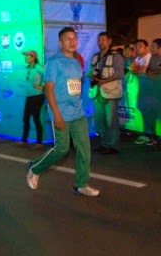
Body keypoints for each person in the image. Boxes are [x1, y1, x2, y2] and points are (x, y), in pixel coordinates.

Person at [26, 27, 99, 197]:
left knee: (84, 150)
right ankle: (34, 168)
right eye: (67, 39)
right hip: (61, 113)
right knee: (62, 149)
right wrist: (57, 114)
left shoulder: (76, 62)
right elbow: (49, 90)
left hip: (78, 113)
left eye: (74, 38)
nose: (72, 41)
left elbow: (76, 87)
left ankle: (81, 184)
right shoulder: (54, 62)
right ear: (60, 43)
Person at [88, 32, 124, 155]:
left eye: (103, 40)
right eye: (99, 40)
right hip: (98, 93)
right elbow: (90, 71)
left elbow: (119, 74)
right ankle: (104, 143)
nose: (101, 42)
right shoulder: (95, 57)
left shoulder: (116, 56)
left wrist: (104, 81)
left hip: (110, 92)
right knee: (99, 120)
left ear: (109, 41)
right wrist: (90, 75)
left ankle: (113, 145)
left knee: (111, 121)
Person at [21, 50, 45, 147]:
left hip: (37, 96)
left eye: (27, 56)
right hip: (30, 96)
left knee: (35, 118)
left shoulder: (39, 67)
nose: (26, 57)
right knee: (26, 118)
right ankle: (24, 140)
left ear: (33, 57)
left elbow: (49, 77)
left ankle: (39, 142)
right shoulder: (28, 68)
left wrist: (42, 86)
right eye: (26, 56)